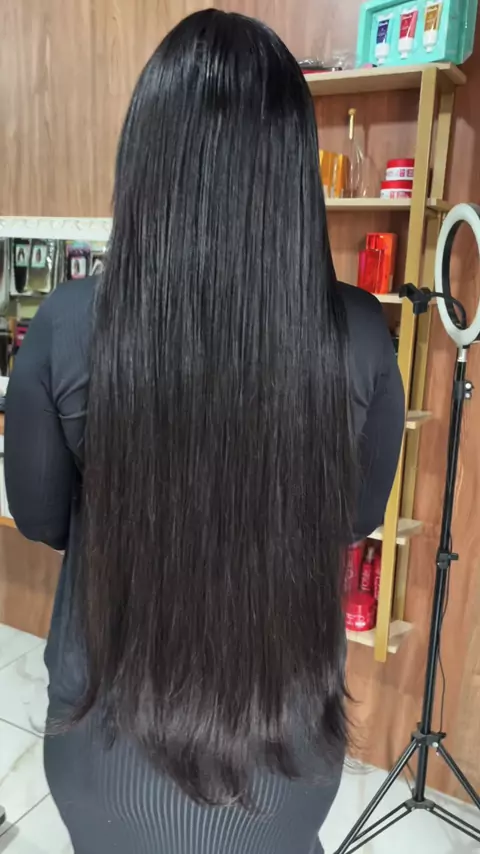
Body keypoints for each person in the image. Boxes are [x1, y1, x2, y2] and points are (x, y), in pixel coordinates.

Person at [4, 10, 404, 854]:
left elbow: (39, 519)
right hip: (285, 745)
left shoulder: (66, 324)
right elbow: (354, 518)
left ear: (144, 160)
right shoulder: (362, 333)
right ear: (289, 166)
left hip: (103, 741)